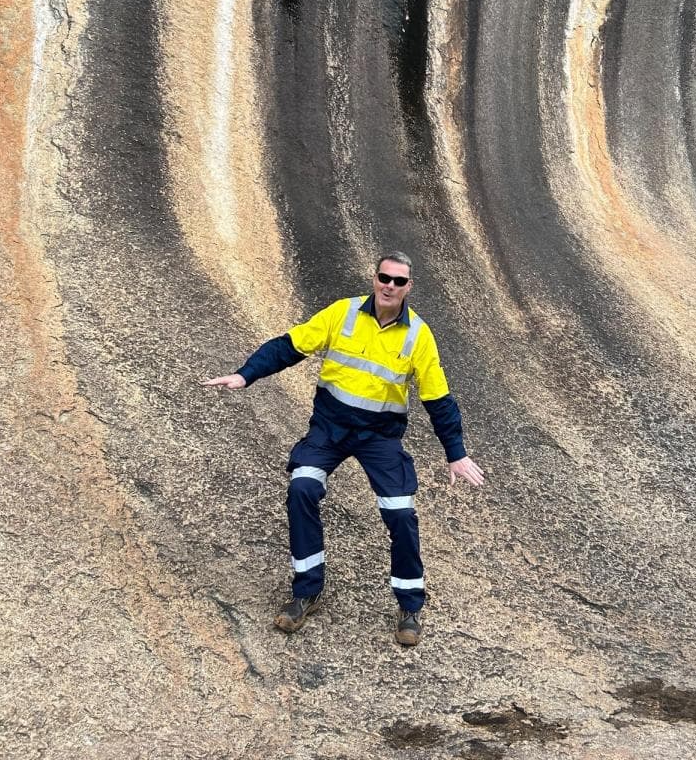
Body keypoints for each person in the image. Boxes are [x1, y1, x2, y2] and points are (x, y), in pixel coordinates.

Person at [204, 251, 485, 647]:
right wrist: (245, 375)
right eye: (384, 278)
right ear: (375, 279)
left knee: (400, 513)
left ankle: (409, 606)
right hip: (329, 430)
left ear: (409, 287)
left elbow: (438, 399)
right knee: (302, 487)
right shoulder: (343, 313)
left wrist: (455, 452)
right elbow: (289, 346)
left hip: (380, 438)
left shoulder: (418, 335)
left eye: (399, 281)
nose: (390, 286)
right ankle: (306, 591)